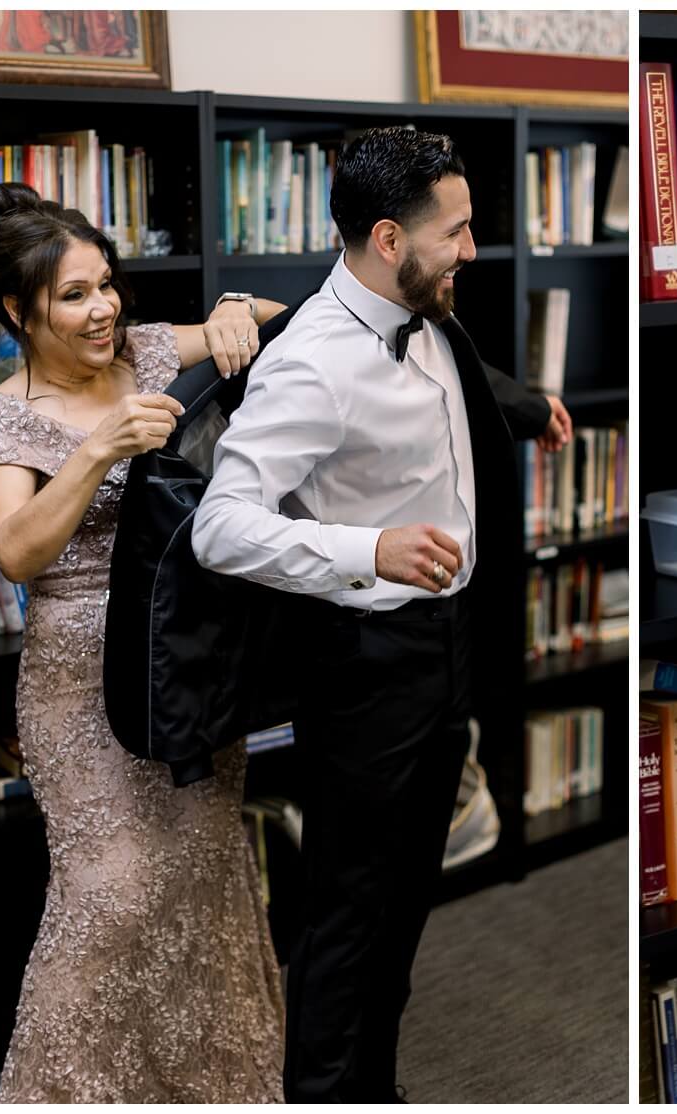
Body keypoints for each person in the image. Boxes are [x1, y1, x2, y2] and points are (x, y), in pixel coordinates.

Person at [189, 127, 568, 1103]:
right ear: (392, 238)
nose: (475, 249)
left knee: (402, 913)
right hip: (364, 659)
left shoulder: (429, 315)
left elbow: (464, 388)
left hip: (448, 649)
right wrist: (370, 548)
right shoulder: (310, 363)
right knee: (347, 922)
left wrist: (530, 406)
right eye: (461, 231)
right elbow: (220, 528)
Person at [0, 182, 291, 1102]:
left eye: (106, 284)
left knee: (202, 875)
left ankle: (214, 1085)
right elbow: (16, 552)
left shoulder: (146, 348)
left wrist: (231, 309)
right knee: (110, 899)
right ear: (18, 311)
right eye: (73, 295)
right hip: (76, 682)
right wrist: (99, 447)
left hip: (180, 655)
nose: (103, 308)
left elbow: (286, 318)